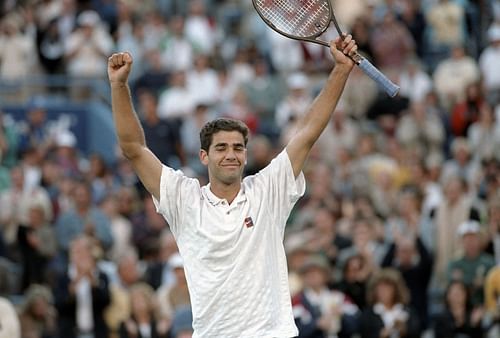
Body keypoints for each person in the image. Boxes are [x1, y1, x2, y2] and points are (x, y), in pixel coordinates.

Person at [108, 34, 358, 337]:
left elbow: (307, 131)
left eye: (238, 148)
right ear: (204, 156)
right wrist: (119, 87)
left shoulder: (268, 190)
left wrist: (341, 70)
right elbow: (133, 148)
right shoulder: (183, 199)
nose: (231, 155)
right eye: (221, 148)